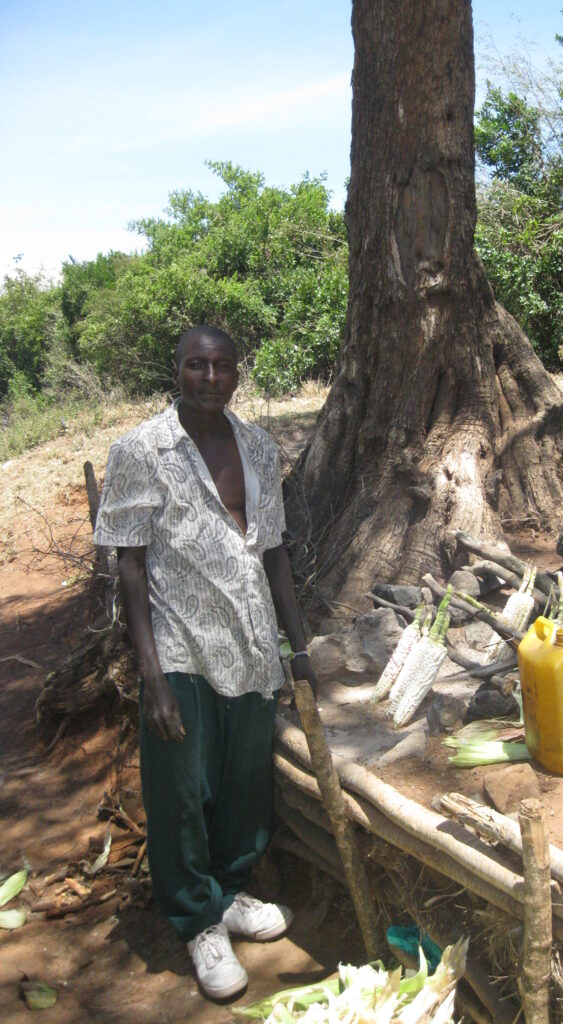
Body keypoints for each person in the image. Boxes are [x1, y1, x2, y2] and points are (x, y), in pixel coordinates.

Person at [93, 324, 318, 1000]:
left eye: (222, 366)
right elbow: (130, 566)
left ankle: (228, 892)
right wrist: (151, 674)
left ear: (238, 374)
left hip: (249, 645)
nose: (211, 378)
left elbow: (273, 551)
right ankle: (197, 919)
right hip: (181, 645)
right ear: (178, 370)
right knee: (182, 791)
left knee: (245, 784)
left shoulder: (256, 445)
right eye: (197, 365)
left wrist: (297, 644)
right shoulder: (140, 450)